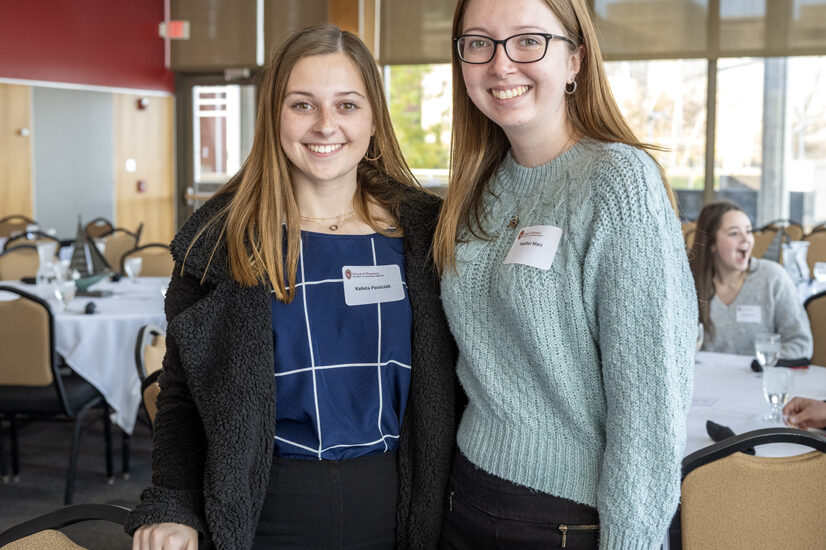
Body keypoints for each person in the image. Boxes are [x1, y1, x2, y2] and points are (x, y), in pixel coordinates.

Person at [126, 25, 457, 550]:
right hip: (266, 511)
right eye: (303, 105)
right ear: (273, 116)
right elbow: (184, 395)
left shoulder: (427, 235)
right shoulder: (220, 243)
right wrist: (175, 504)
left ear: (374, 118)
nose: (326, 125)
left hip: (405, 504)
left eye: (347, 105)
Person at [432, 0, 696, 548]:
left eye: (529, 40)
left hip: (569, 519)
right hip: (466, 498)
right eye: (478, 43)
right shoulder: (477, 186)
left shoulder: (618, 183)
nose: (500, 65)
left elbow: (651, 408)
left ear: (575, 59)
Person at [689, 200, 813, 358]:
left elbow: (800, 344)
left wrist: (761, 363)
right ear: (711, 243)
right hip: (705, 380)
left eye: (748, 231)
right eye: (734, 233)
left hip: (760, 379)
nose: (746, 240)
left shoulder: (772, 277)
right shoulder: (692, 284)